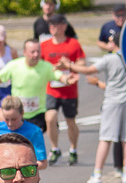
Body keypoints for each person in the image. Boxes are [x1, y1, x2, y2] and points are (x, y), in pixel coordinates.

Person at [58, 45, 126, 183]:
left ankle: (97, 174)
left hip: (112, 100)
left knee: (105, 137)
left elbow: (88, 70)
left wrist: (69, 65)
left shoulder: (110, 58)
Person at [0, 39, 75, 133]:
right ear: (24, 52)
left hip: (37, 114)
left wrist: (68, 79)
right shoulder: (14, 65)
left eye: (38, 52)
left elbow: (60, 76)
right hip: (17, 114)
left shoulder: (46, 67)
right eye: (32, 52)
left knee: (32, 142)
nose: (36, 55)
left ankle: (54, 147)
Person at [40, 14, 86, 166]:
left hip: (69, 90)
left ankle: (73, 149)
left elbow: (82, 63)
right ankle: (55, 149)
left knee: (70, 122)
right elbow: (40, 66)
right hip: (51, 89)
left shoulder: (73, 44)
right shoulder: (44, 45)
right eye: (51, 24)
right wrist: (54, 69)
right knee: (50, 118)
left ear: (64, 26)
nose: (52, 27)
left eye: (56, 24)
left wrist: (68, 66)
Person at [0, 96, 48, 170]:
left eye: (14, 119)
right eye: (6, 119)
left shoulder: (34, 131)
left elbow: (43, 163)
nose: (10, 123)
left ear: (22, 113)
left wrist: (21, 169)